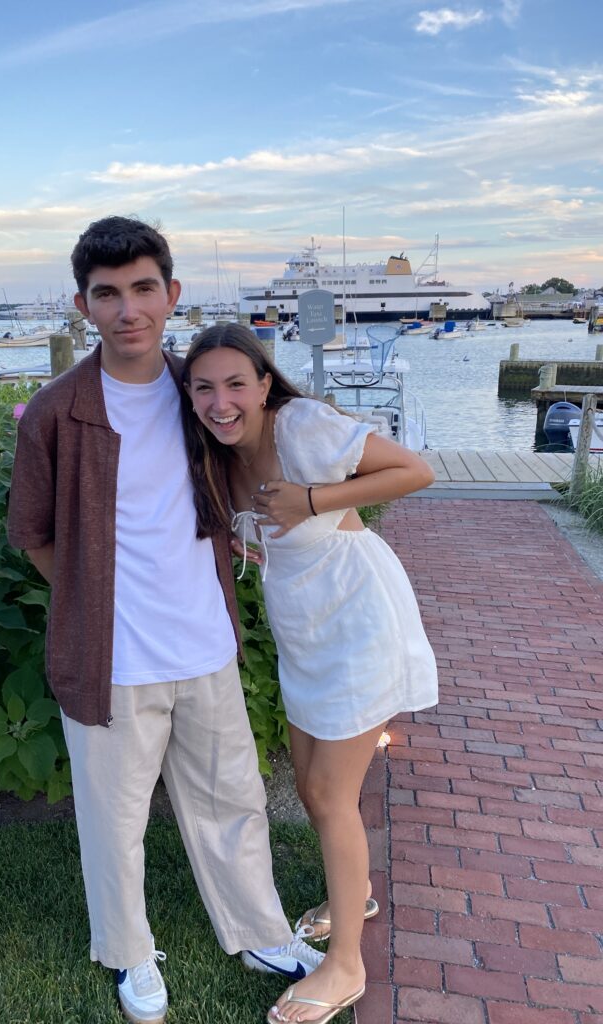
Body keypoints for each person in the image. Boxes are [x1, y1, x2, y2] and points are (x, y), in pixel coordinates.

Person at [6, 217, 322, 1024]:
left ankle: (258, 931)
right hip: (110, 656)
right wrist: (91, 598)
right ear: (84, 305)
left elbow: (271, 458)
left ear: (171, 294)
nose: (128, 309)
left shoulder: (202, 393)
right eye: (107, 294)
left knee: (234, 799)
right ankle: (129, 952)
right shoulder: (54, 412)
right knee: (113, 821)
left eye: (144, 288)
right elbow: (32, 532)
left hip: (206, 642)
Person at [183, 323, 439, 1024]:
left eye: (237, 383)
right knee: (309, 783)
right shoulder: (214, 457)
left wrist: (313, 500)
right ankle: (351, 897)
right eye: (203, 387)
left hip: (359, 622)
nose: (221, 400)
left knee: (327, 793)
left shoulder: (301, 427)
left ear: (265, 385)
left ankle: (347, 966)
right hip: (304, 630)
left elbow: (416, 471)